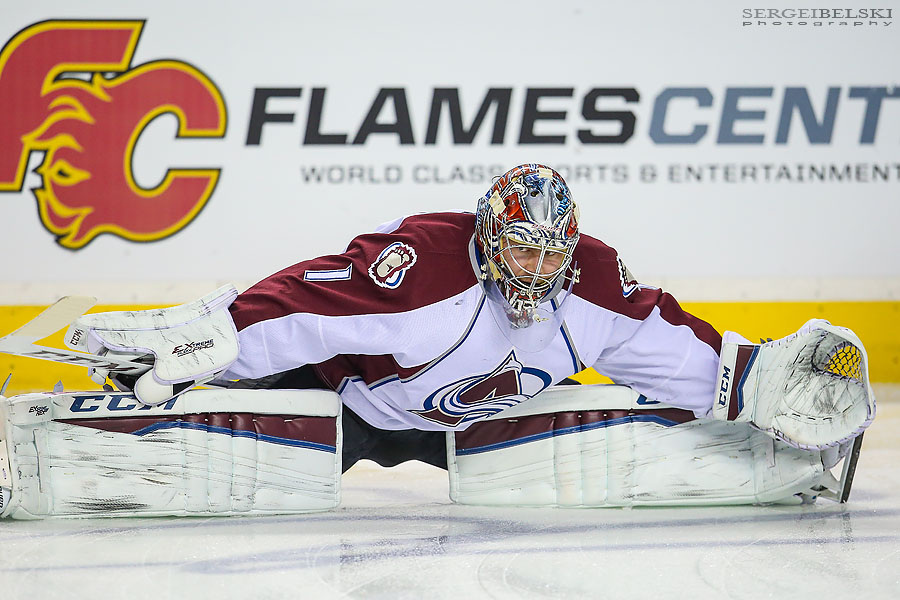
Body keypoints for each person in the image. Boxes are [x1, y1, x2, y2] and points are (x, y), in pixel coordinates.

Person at [221, 163, 723, 472]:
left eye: (553, 255)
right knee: (248, 471)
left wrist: (745, 384)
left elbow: (668, 349)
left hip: (470, 431)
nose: (538, 271)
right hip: (347, 400)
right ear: (489, 236)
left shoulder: (592, 284)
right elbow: (301, 308)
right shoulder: (427, 262)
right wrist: (216, 347)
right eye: (523, 250)